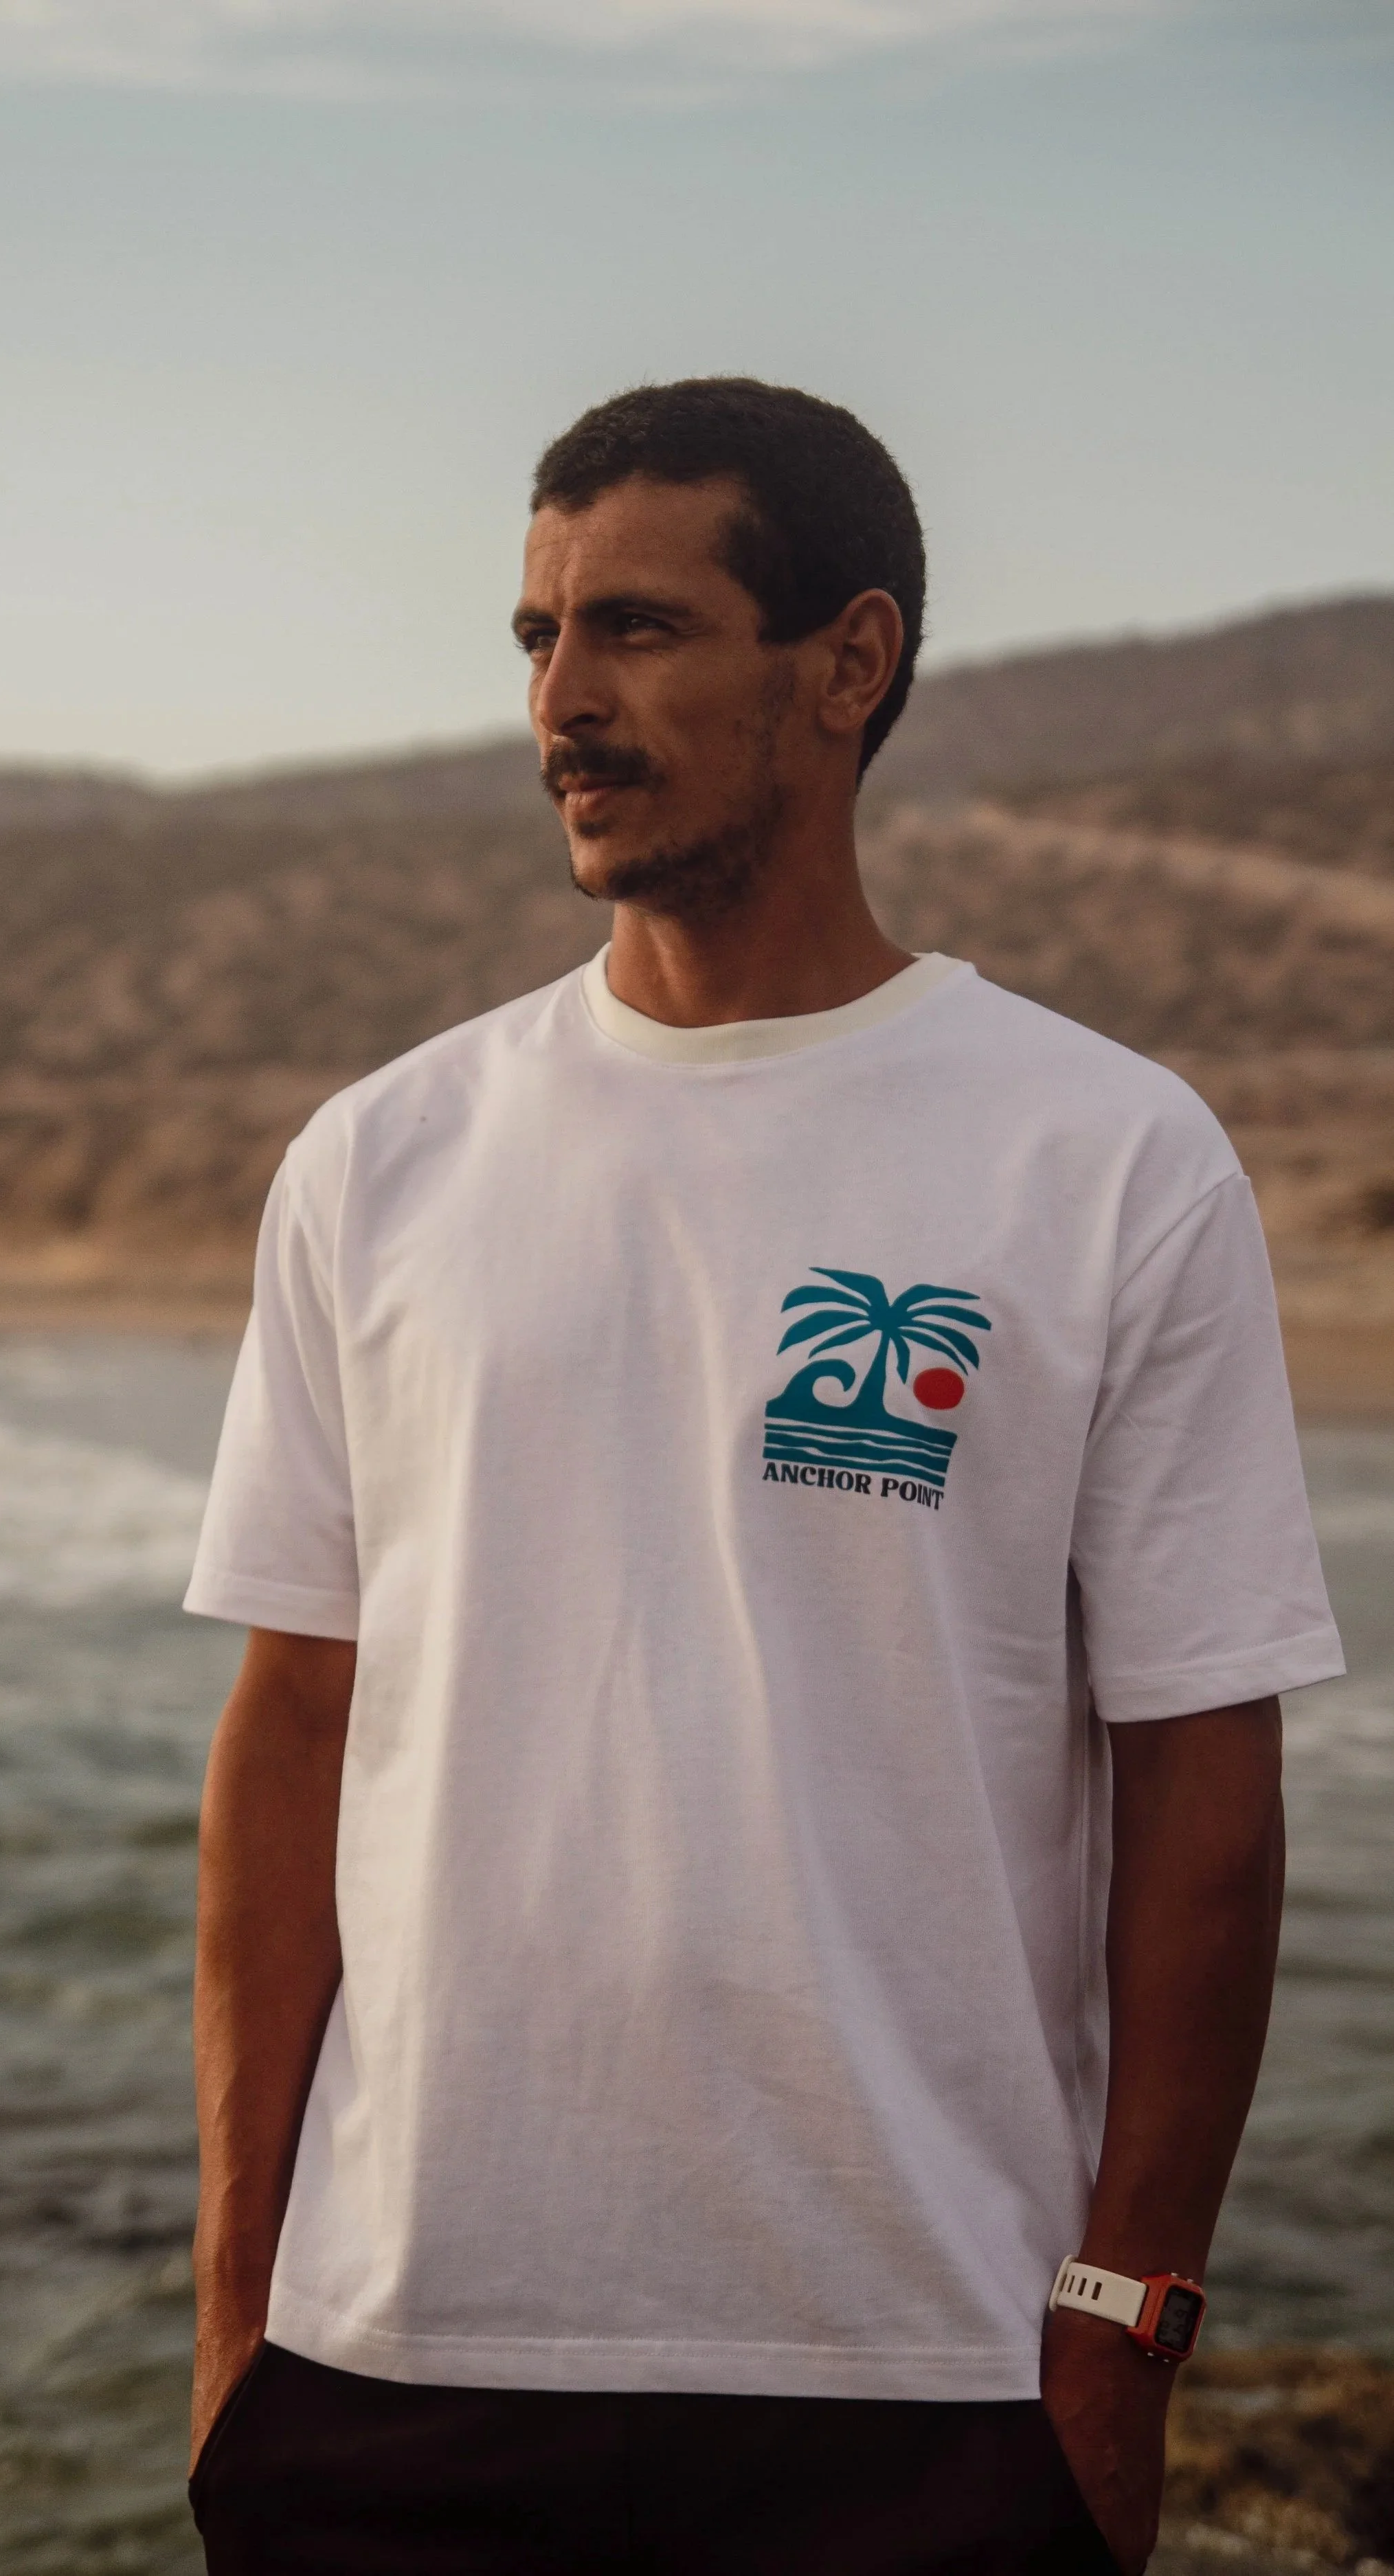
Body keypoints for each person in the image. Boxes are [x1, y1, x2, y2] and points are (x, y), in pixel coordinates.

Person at [181, 377, 1342, 2575]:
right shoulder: (381, 1157)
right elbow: (294, 1729)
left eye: (632, 628)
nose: (561, 702)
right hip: (398, 2360)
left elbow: (1202, 1771)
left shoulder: (1100, 1157)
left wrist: (1120, 2330)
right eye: (533, 638)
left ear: (848, 660)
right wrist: (239, 2299)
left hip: (918, 2371)